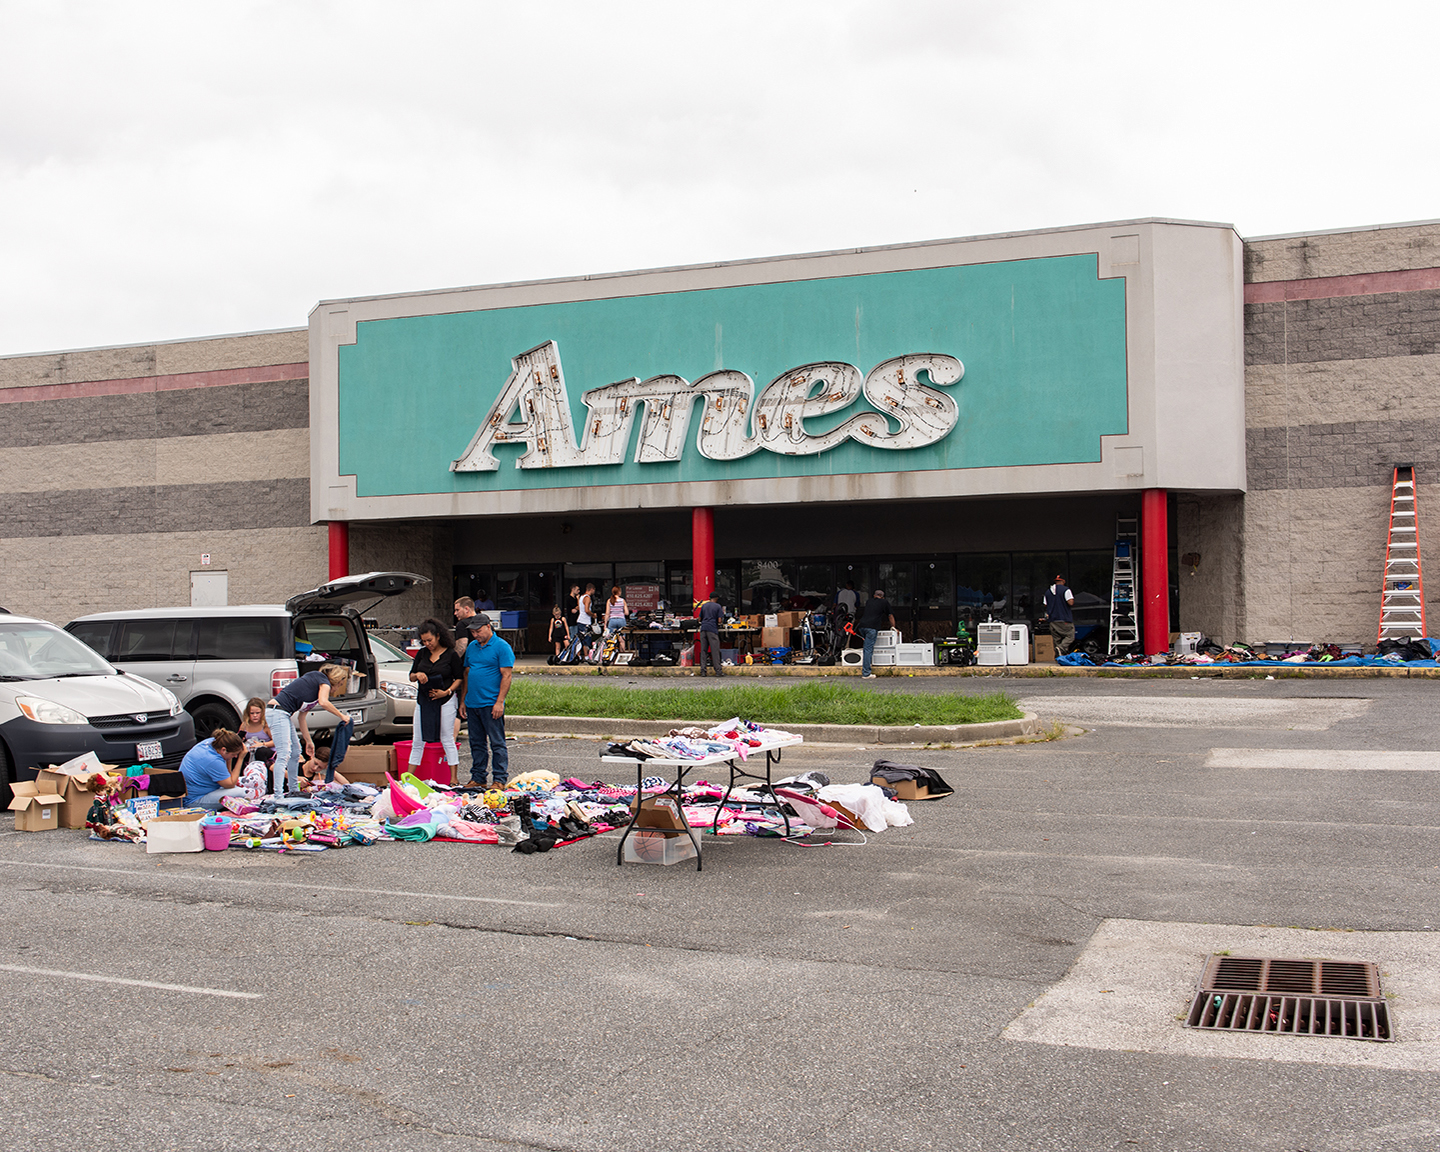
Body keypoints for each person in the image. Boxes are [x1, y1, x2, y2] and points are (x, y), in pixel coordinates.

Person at [265, 663, 353, 794]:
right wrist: (342, 716)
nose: (336, 690)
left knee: (296, 751)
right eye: (340, 685)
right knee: (284, 754)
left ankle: (293, 789)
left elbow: (302, 718)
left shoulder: (314, 686)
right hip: (277, 711)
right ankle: (278, 794)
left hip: (283, 713)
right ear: (336, 680)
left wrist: (309, 741)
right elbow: (324, 702)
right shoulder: (322, 680)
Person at [458, 613, 514, 788]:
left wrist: (499, 702)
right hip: (473, 702)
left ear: (488, 627)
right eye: (473, 632)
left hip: (490, 703)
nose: (475, 635)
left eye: (478, 631)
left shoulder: (501, 647)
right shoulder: (472, 647)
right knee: (476, 742)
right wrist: (463, 700)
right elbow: (467, 673)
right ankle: (478, 777)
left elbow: (507, 675)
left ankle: (499, 779)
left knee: (497, 742)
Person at [407, 617, 463, 778]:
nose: (427, 644)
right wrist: (418, 674)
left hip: (445, 699)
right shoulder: (422, 653)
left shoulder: (451, 654)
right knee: (417, 739)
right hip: (424, 700)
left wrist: (446, 692)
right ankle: (408, 777)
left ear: (438, 636)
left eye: (430, 640)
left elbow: (459, 678)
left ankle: (453, 777)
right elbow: (411, 675)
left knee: (447, 738)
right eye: (424, 641)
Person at [179, 728, 247, 810]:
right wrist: (241, 758)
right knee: (241, 792)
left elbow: (227, 776)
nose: (235, 756)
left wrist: (230, 754)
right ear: (223, 750)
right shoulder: (213, 760)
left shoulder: (211, 742)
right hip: (195, 800)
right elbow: (231, 784)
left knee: (240, 787)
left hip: (195, 791)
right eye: (233, 754)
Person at [855, 586, 897, 679]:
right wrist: (893, 627)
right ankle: (866, 673)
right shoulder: (884, 602)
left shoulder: (869, 601)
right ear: (882, 597)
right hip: (872, 627)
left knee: (867, 648)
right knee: (868, 649)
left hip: (862, 626)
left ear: (874, 595)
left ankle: (867, 667)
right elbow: (890, 615)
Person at [1043, 574, 1076, 655]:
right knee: (1070, 636)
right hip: (1064, 618)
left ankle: (1059, 657)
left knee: (1057, 639)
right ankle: (1060, 648)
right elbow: (1070, 602)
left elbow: (1045, 604)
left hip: (1052, 620)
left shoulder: (1047, 592)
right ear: (1063, 581)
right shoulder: (1066, 590)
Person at [237, 697, 274, 766]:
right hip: (250, 749)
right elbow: (238, 738)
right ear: (248, 713)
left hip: (266, 750)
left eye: (257, 713)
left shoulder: (266, 725)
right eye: (252, 713)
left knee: (260, 752)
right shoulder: (245, 725)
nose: (255, 715)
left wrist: (263, 744)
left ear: (262, 712)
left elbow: (276, 741)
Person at [697, 590, 725, 676]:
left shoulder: (704, 606)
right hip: (712, 629)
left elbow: (699, 619)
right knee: (715, 650)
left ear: (709, 598)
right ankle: (718, 671)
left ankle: (703, 671)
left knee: (704, 650)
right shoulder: (718, 606)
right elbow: (719, 620)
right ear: (716, 598)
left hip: (703, 629)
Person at [604, 586, 629, 652]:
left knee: (612, 640)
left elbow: (607, 613)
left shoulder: (609, 600)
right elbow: (626, 613)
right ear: (619, 592)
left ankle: (611, 656)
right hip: (621, 620)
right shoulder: (622, 600)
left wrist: (605, 624)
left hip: (612, 620)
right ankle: (621, 655)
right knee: (622, 640)